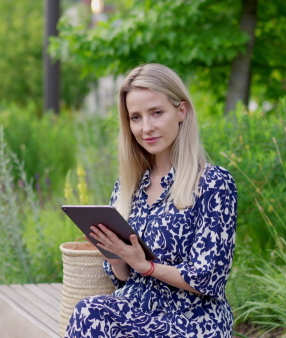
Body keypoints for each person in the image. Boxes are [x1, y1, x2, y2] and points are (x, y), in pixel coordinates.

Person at [66, 63, 237, 338]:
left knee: (93, 312)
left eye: (156, 113)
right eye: (136, 117)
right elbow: (121, 279)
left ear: (181, 111)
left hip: (192, 319)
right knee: (91, 310)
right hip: (135, 309)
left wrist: (146, 266)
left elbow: (209, 277)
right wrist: (115, 254)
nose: (146, 128)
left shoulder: (213, 183)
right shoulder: (128, 187)